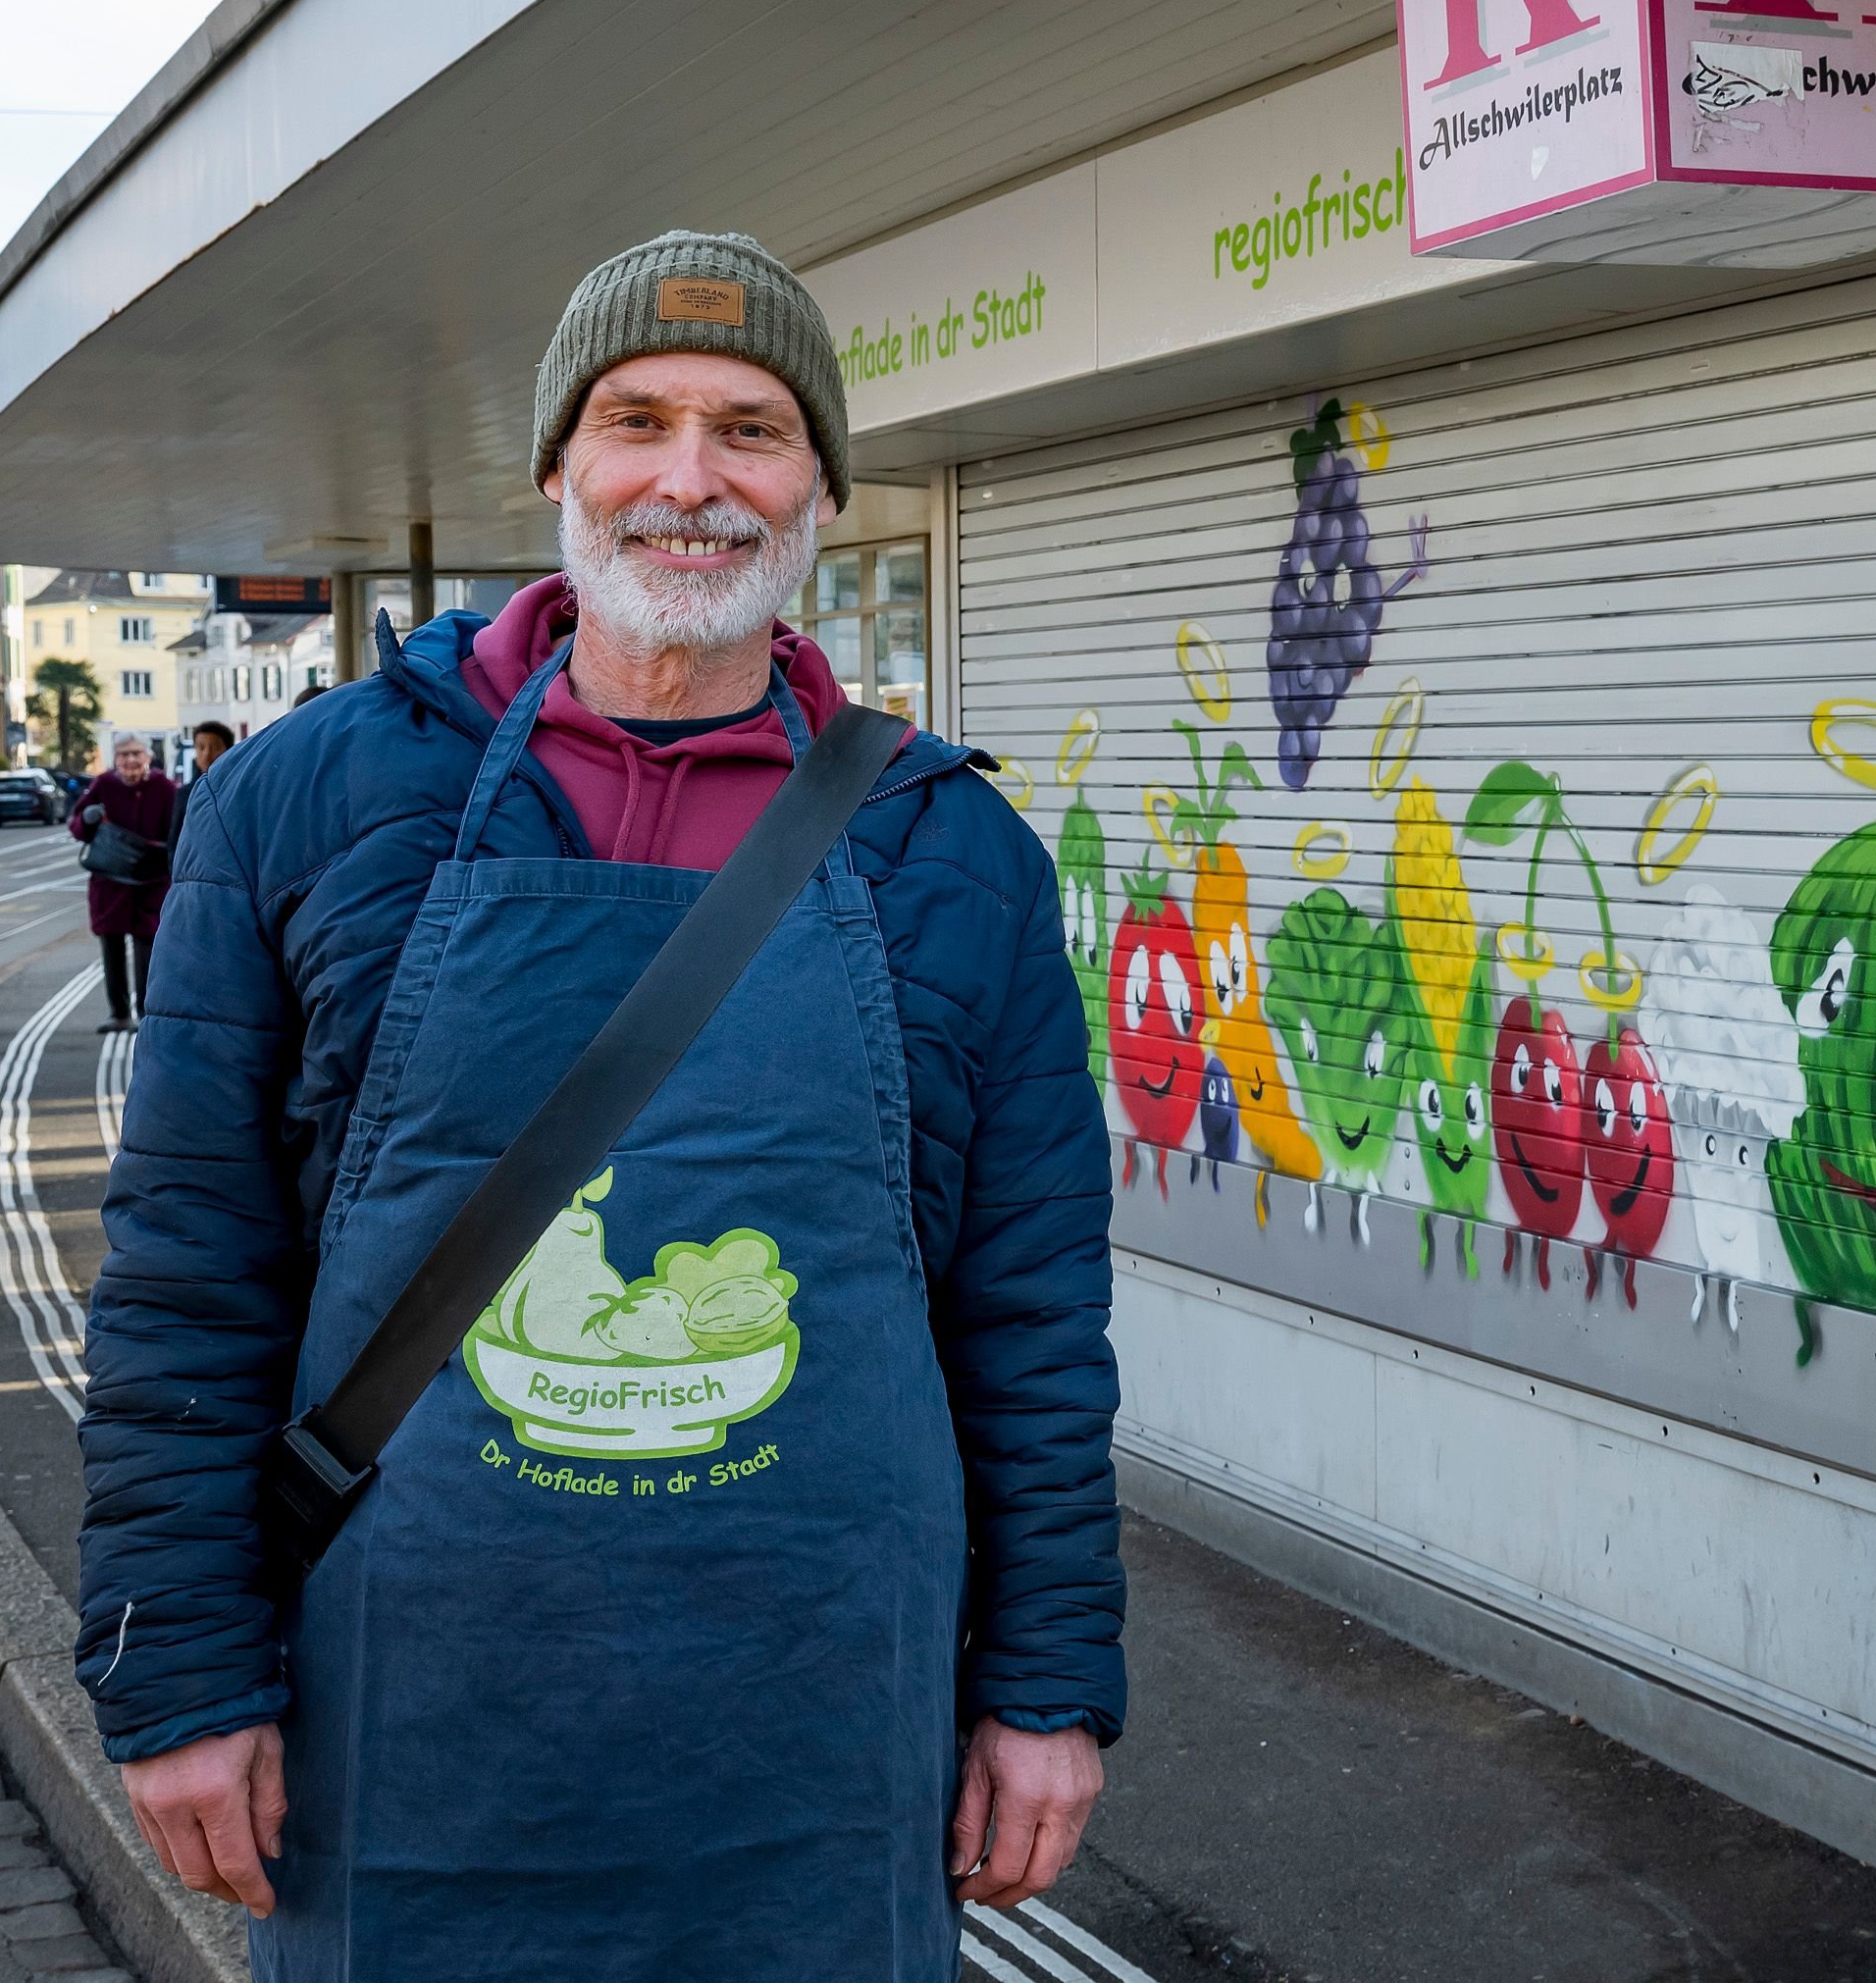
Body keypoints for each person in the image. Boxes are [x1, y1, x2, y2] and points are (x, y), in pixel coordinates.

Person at [77, 232, 1120, 1981]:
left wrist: (1044, 1686)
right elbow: (191, 1269)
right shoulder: (305, 801)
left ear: (820, 492)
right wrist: (174, 1670)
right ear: (557, 462)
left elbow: (1027, 1320)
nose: (690, 479)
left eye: (753, 428)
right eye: (636, 418)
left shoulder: (952, 853)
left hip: (820, 1726)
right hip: (405, 1719)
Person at [75, 737, 182, 1031]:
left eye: (135, 753)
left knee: (148, 947)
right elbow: (78, 826)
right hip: (110, 882)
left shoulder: (165, 788)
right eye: (123, 755)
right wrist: (87, 818)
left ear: (147, 756)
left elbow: (178, 831)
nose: (130, 760)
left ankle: (146, 1014)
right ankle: (119, 1012)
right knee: (111, 945)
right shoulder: (104, 785)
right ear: (115, 759)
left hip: (151, 880)